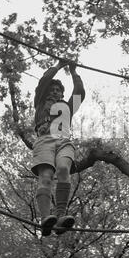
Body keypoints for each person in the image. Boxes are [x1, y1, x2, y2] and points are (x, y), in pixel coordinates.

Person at [31, 60, 85, 236]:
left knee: (63, 170)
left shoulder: (67, 108)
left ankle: (60, 216)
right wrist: (59, 65)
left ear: (62, 94)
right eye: (52, 89)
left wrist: (74, 71)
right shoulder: (40, 103)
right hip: (45, 141)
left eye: (58, 90)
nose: (55, 92)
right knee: (46, 176)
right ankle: (46, 218)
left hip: (63, 142)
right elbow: (44, 81)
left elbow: (79, 93)